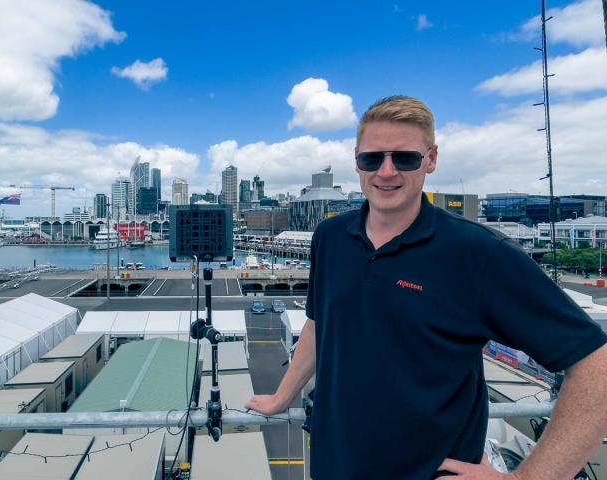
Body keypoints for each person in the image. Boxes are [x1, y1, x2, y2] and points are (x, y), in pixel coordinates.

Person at [245, 96, 607, 479]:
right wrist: (284, 395)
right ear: (356, 161)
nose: (386, 171)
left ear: (431, 160)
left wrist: (527, 478)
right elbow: (321, 325)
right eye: (373, 158)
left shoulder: (479, 253)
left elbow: (595, 365)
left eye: (405, 158)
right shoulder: (330, 237)